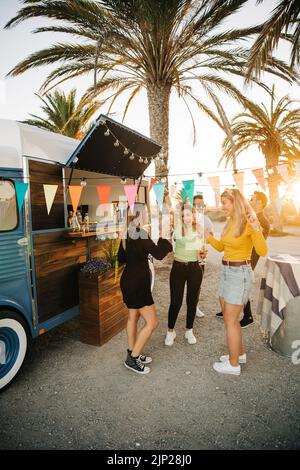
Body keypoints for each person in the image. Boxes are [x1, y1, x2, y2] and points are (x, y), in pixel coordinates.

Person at [206, 188, 268, 375]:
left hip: (239, 274)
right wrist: (208, 236)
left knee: (230, 320)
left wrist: (256, 228)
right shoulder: (230, 222)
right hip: (226, 271)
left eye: (225, 203)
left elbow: (263, 251)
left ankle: (233, 365)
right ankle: (239, 354)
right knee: (230, 318)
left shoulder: (249, 223)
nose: (222, 206)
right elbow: (222, 247)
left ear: (235, 203)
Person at [118, 207, 172, 374]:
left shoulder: (126, 234)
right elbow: (159, 254)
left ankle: (133, 350)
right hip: (138, 284)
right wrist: (165, 239)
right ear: (139, 216)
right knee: (152, 323)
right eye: (146, 213)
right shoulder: (140, 232)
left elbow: (120, 259)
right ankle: (133, 359)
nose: (148, 215)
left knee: (132, 318)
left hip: (127, 280)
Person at [216, 190, 270, 327]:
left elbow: (261, 249)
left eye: (253, 199)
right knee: (230, 313)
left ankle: (247, 315)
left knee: (239, 299)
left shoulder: (258, 220)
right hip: (232, 266)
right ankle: (238, 312)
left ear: (260, 202)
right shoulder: (237, 220)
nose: (250, 201)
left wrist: (255, 228)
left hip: (245, 263)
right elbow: (224, 245)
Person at [165, 204, 205, 346]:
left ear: (193, 215)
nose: (185, 218)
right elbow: (172, 244)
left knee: (192, 302)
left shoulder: (199, 228)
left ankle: (189, 330)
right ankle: (171, 331)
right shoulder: (177, 228)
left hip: (194, 268)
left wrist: (202, 250)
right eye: (182, 215)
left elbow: (202, 249)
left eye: (188, 215)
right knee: (175, 302)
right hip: (178, 268)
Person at [193, 194, 214, 318]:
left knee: (197, 284)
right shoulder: (186, 217)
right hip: (185, 258)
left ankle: (194, 306)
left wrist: (205, 238)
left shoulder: (207, 220)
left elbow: (211, 239)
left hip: (200, 258)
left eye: (201, 205)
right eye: (196, 204)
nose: (199, 207)